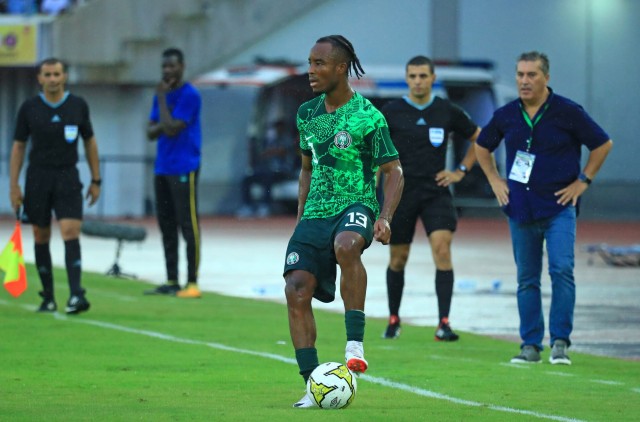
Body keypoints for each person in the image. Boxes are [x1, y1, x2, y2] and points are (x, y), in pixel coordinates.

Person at [283, 35, 404, 408]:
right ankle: (313, 384)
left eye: (319, 64)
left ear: (340, 68)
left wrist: (384, 217)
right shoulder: (307, 114)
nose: (311, 71)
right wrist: (301, 216)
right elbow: (306, 168)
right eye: (309, 63)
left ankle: (355, 343)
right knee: (296, 288)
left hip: (357, 204)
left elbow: (394, 171)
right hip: (316, 212)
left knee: (348, 245)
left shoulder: (369, 116)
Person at [475, 51, 613, 365]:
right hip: (519, 208)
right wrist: (495, 181)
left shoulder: (568, 111)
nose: (524, 80)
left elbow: (603, 144)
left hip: (559, 206)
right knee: (527, 278)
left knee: (562, 270)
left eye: (531, 75)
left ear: (546, 78)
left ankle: (561, 342)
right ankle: (531, 345)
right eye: (520, 74)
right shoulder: (507, 114)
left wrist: (583, 181)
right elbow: (482, 146)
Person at [380, 55, 481, 341]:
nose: (418, 81)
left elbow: (479, 138)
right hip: (401, 193)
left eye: (423, 76)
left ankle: (444, 323)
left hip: (436, 191)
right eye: (412, 76)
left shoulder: (446, 110)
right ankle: (393, 319)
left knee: (442, 249)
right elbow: (375, 152)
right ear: (407, 78)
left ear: (433, 78)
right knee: (398, 257)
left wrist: (460, 171)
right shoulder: (391, 111)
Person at [9, 57, 101, 314]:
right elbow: (19, 146)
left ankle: (76, 295)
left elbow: (90, 142)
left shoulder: (77, 105)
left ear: (65, 77)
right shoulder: (29, 108)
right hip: (38, 177)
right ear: (39, 78)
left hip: (67, 177)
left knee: (70, 230)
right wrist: (14, 185)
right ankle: (47, 296)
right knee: (41, 235)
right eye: (47, 75)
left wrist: (96, 179)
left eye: (57, 74)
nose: (52, 79)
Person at [144, 47, 203, 299]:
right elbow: (149, 132)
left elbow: (169, 129)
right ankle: (171, 279)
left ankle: (192, 282)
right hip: (162, 166)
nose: (167, 71)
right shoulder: (164, 95)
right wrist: (162, 118)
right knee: (166, 224)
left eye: (172, 66)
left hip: (184, 167)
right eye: (164, 67)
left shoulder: (189, 95)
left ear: (182, 66)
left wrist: (160, 99)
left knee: (187, 225)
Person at [237, 119, 298, 218]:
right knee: (247, 179)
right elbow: (263, 154)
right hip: (270, 170)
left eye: (279, 127)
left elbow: (282, 151)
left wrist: (272, 152)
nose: (277, 130)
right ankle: (247, 206)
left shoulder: (288, 140)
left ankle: (265, 205)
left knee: (267, 177)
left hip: (284, 171)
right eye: (276, 128)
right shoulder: (271, 141)